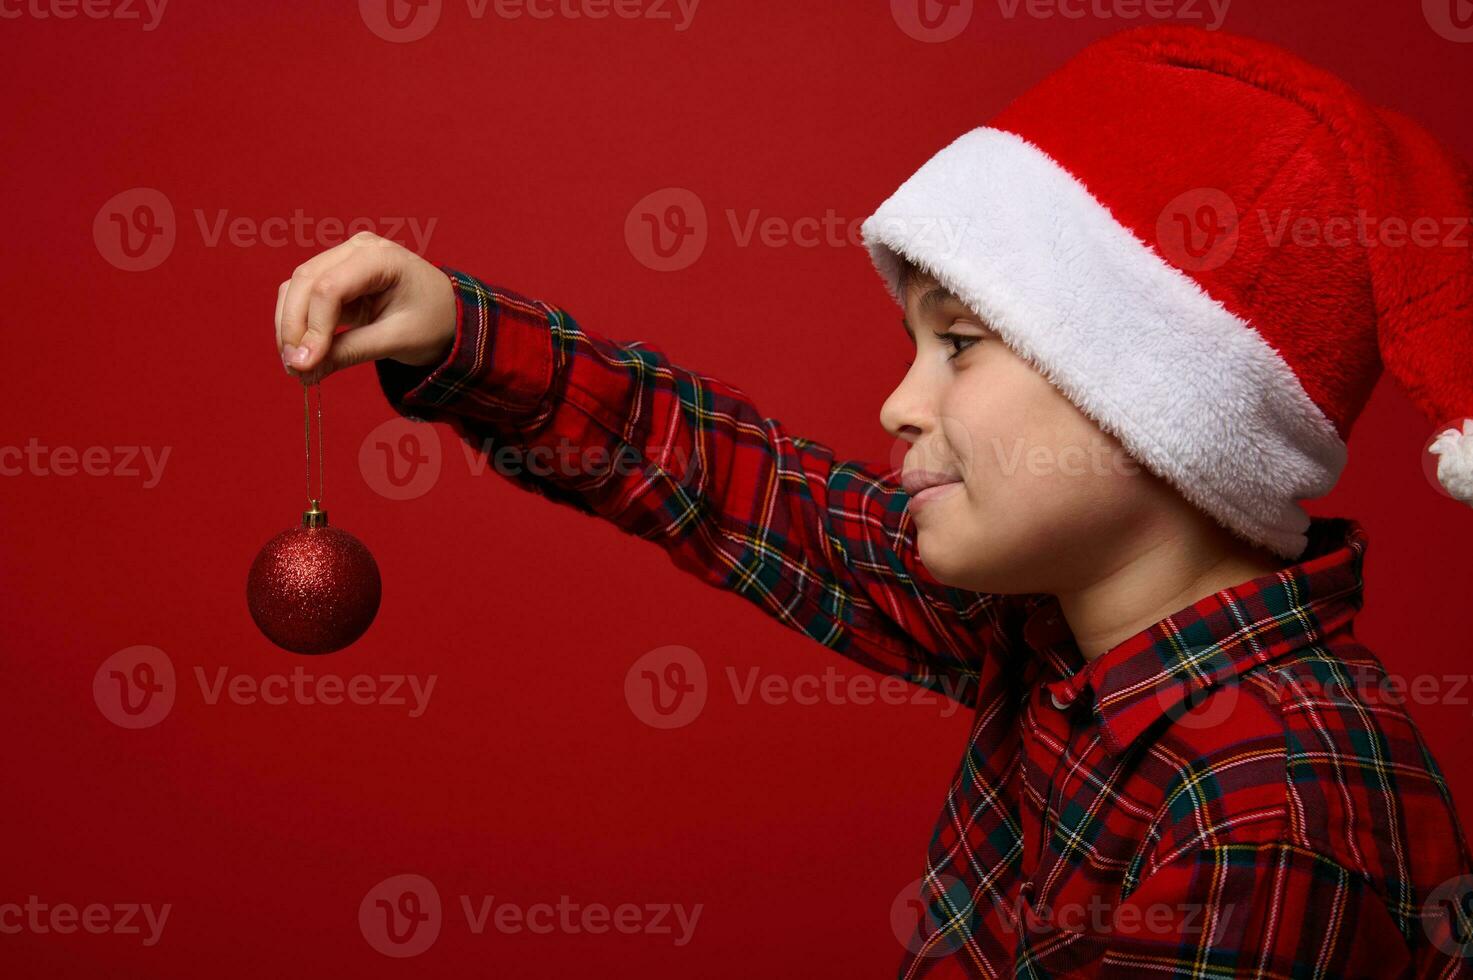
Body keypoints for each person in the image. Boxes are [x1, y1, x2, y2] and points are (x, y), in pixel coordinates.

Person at [272, 24, 1473, 978]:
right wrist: (464, 334)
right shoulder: (1052, 624)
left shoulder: (1270, 815)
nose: (898, 404)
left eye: (958, 345)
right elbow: (742, 491)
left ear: (1158, 401)